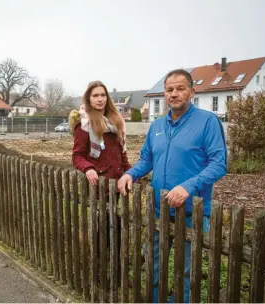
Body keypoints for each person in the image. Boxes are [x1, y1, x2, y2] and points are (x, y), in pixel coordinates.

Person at [117, 69, 227, 303]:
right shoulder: (157, 125)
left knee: (187, 271)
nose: (174, 94)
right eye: (169, 90)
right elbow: (147, 159)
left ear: (192, 91)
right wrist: (130, 174)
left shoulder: (207, 122)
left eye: (180, 88)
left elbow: (219, 164)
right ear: (164, 94)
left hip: (192, 212)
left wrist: (188, 186)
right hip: (159, 210)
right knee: (154, 263)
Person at [70, 80, 131, 288]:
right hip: (99, 189)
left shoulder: (116, 121)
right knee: (102, 234)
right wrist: (88, 168)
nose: (99, 99)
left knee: (118, 232)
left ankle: (118, 274)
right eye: (95, 95)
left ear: (107, 98)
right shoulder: (84, 124)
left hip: (118, 186)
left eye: (102, 95)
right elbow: (77, 155)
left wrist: (131, 173)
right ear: (88, 99)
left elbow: (122, 154)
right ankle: (99, 275)